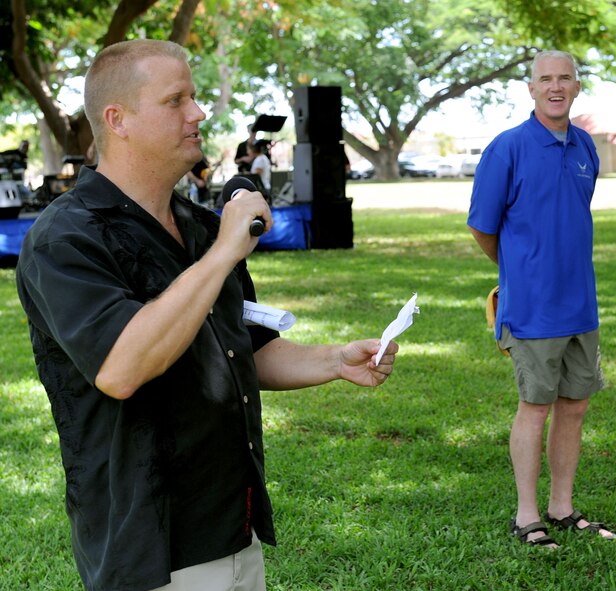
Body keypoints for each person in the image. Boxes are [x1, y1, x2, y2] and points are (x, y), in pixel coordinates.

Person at [16, 39, 398, 591]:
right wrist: (222, 255)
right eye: (176, 100)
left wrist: (335, 360)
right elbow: (123, 367)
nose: (198, 113)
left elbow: (243, 346)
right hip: (150, 548)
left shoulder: (197, 226)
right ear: (117, 119)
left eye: (195, 97)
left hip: (232, 526)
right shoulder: (65, 238)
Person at [467, 50, 616, 550]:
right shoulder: (506, 148)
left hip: (581, 305)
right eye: (544, 79)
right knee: (535, 407)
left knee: (574, 408)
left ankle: (562, 507)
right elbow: (482, 228)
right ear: (531, 89)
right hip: (532, 309)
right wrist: (520, 272)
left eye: (564, 78)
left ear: (577, 87)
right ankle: (526, 514)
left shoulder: (585, 148)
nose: (555, 87)